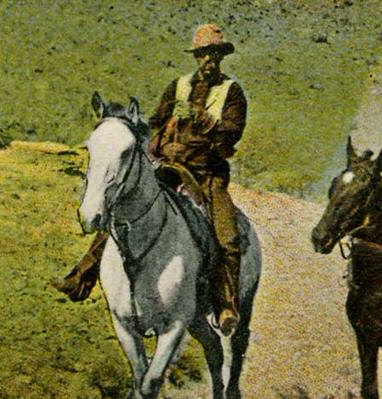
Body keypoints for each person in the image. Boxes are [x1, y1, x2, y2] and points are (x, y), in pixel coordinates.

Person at [57, 24, 248, 337]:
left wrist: (202, 119)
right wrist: (162, 128)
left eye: (214, 54)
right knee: (124, 210)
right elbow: (155, 121)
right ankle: (83, 274)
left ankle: (225, 304)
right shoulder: (179, 86)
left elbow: (233, 131)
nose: (208, 60)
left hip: (207, 172)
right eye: (203, 54)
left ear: (221, 56)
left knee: (227, 236)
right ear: (197, 57)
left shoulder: (232, 92)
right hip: (170, 166)